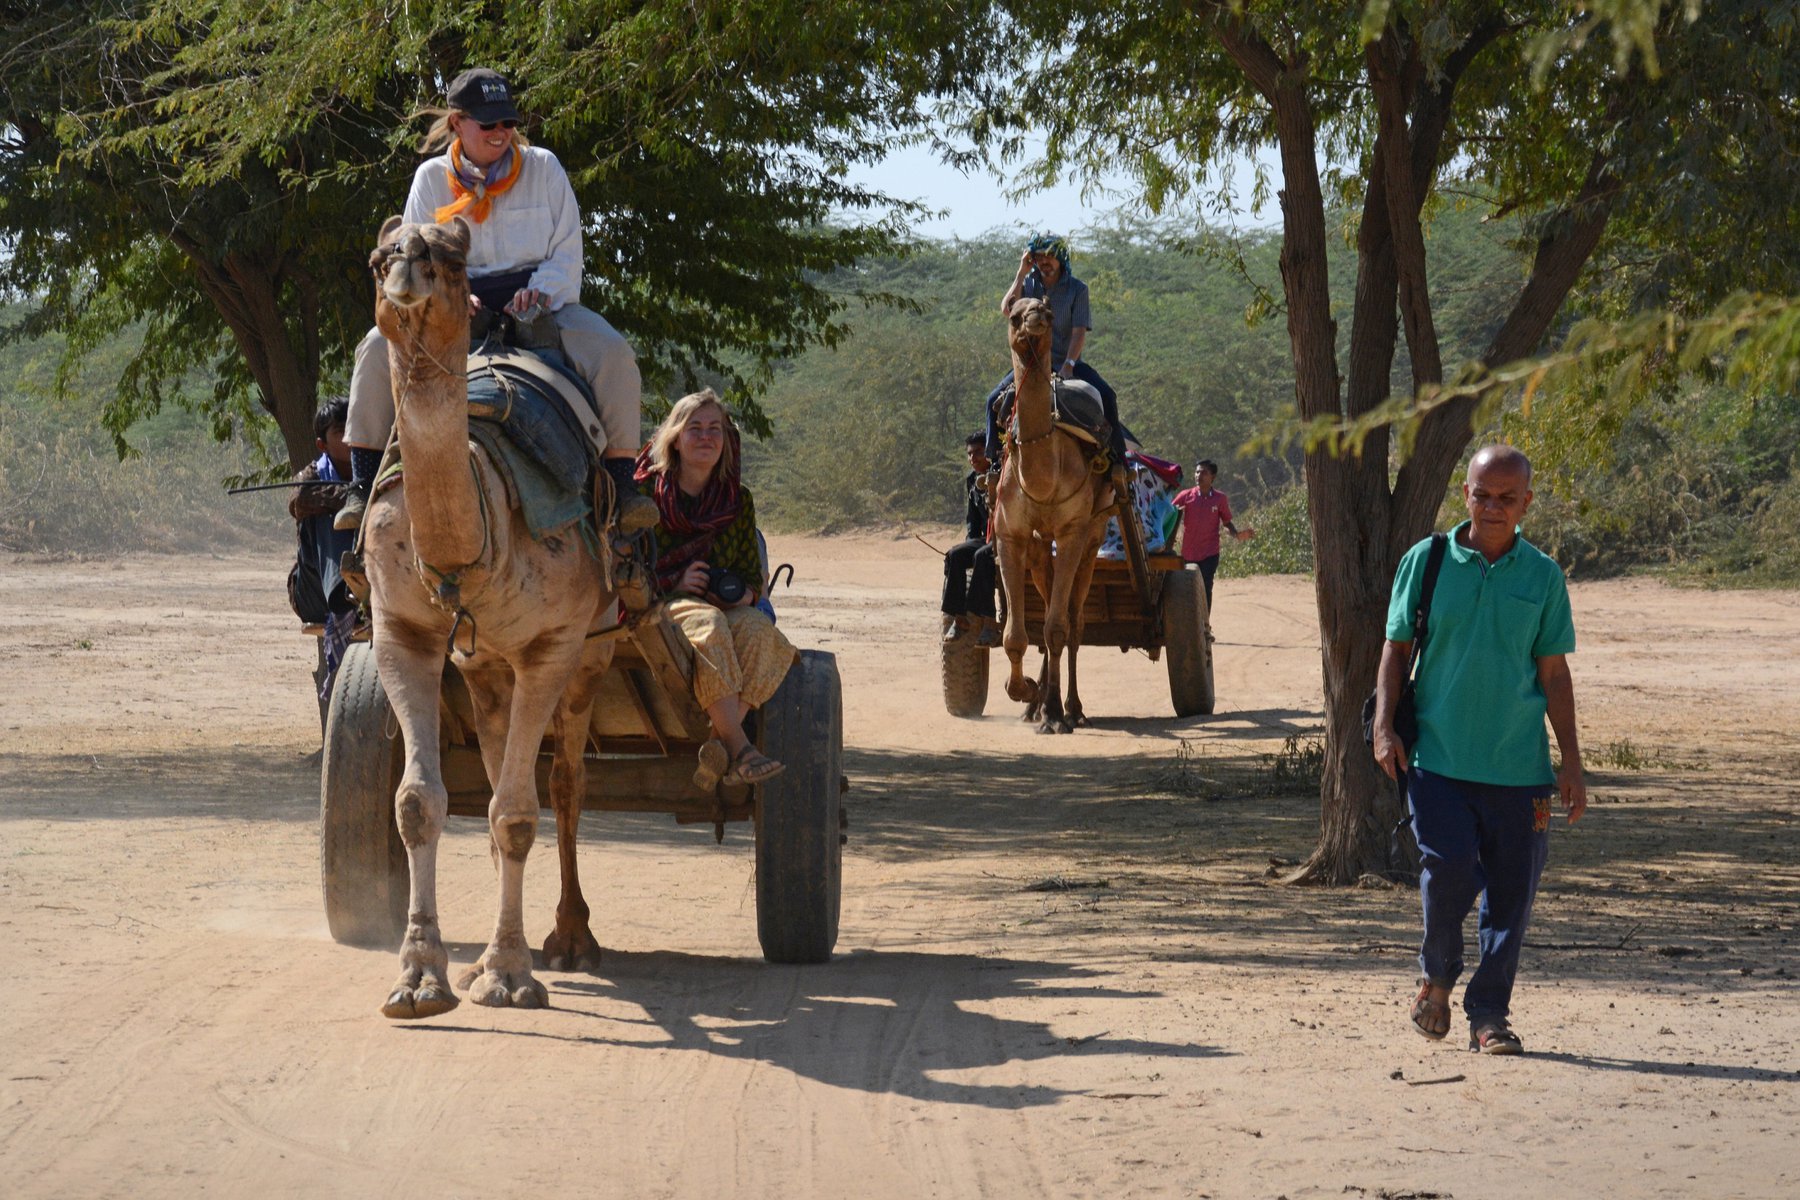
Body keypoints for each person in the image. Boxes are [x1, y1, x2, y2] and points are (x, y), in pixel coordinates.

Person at [336, 67, 654, 534]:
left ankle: (623, 486)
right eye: (488, 124)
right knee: (374, 349)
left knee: (614, 354)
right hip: (454, 309)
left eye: (507, 122)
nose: (501, 133)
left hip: (544, 305)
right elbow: (416, 252)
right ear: (458, 123)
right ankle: (361, 487)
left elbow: (568, 252)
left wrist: (540, 291)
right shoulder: (430, 179)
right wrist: (452, 295)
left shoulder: (544, 167)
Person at [1371, 444, 1588, 1056]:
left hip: (1521, 771)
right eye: (1481, 494)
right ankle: (1436, 979)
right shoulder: (1428, 560)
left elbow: (1554, 674)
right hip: (1437, 760)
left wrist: (1570, 762)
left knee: (1512, 897)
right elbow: (1396, 649)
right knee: (1448, 871)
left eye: (1506, 498)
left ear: (1526, 503)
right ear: (1464, 493)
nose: (1492, 507)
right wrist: (1383, 727)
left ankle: (1489, 1015)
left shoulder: (1542, 576)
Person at [636, 389, 798, 788]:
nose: (706, 437)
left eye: (715, 429)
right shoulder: (644, 495)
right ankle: (741, 748)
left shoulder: (737, 500)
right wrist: (675, 582)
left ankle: (717, 746)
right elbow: (620, 565)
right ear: (675, 437)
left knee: (763, 634)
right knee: (710, 624)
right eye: (695, 428)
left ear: (726, 440)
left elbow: (749, 575)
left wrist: (742, 595)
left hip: (721, 606)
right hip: (659, 605)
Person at [982, 232, 1125, 471]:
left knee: (1108, 396)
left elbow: (1079, 331)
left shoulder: (1077, 289)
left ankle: (1119, 464)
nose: (1044, 261)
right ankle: (995, 464)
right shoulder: (1028, 284)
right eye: (1038, 256)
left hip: (1067, 364)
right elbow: (1008, 310)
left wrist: (1069, 364)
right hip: (1032, 366)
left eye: (1049, 256)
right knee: (991, 402)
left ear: (1060, 257)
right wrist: (1021, 272)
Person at [286, 398, 360, 715]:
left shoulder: (373, 467)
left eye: (352, 428)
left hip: (366, 589)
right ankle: (344, 595)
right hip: (315, 592)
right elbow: (298, 499)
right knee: (333, 517)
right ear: (322, 443)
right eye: (340, 431)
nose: (349, 437)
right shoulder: (312, 475)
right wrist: (353, 494)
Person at [1171, 459, 1254, 620]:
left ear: (1212, 477)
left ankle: (1204, 624)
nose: (1199, 475)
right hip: (1188, 552)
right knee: (1188, 588)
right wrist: (1169, 537)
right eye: (1197, 472)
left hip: (1210, 553)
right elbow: (1170, 515)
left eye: (1204, 472)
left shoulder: (1220, 499)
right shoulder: (1186, 496)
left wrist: (1237, 534)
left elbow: (1227, 522)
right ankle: (1190, 623)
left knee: (1205, 586)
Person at [942, 432, 1000, 645]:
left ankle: (989, 622)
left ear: (989, 452)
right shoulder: (972, 480)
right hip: (985, 537)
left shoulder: (1002, 474)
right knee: (956, 555)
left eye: (979, 452)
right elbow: (972, 521)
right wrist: (969, 542)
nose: (973, 458)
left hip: (1007, 537)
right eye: (970, 454)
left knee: (983, 556)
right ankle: (959, 618)